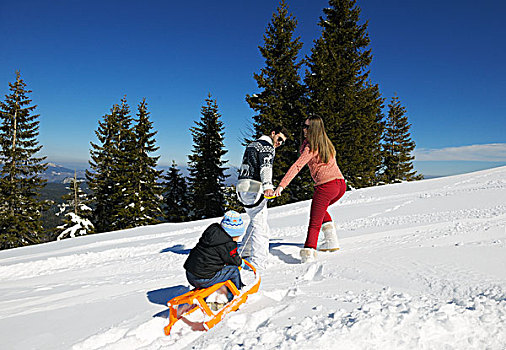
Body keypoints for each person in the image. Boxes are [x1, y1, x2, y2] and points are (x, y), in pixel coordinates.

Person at [273, 116, 346, 263]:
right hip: (340, 185)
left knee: (314, 221)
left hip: (326, 186)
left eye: (308, 127)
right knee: (320, 211)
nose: (304, 129)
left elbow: (297, 166)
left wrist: (281, 185)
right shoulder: (327, 144)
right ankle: (331, 241)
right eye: (303, 126)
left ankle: (308, 253)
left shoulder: (311, 146)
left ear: (315, 129)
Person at [236, 126, 288, 269]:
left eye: (282, 142)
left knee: (255, 219)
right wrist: (268, 186)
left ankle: (243, 251)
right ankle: (259, 263)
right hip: (254, 188)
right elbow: (266, 167)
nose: (279, 143)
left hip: (242, 187)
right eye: (279, 139)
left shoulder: (252, 144)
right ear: (273, 133)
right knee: (261, 227)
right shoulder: (267, 147)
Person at [184, 210, 246, 305]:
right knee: (233, 270)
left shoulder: (212, 231)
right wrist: (241, 262)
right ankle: (235, 294)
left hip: (190, 274)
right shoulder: (228, 244)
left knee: (217, 266)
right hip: (203, 279)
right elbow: (234, 260)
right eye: (237, 236)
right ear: (233, 233)